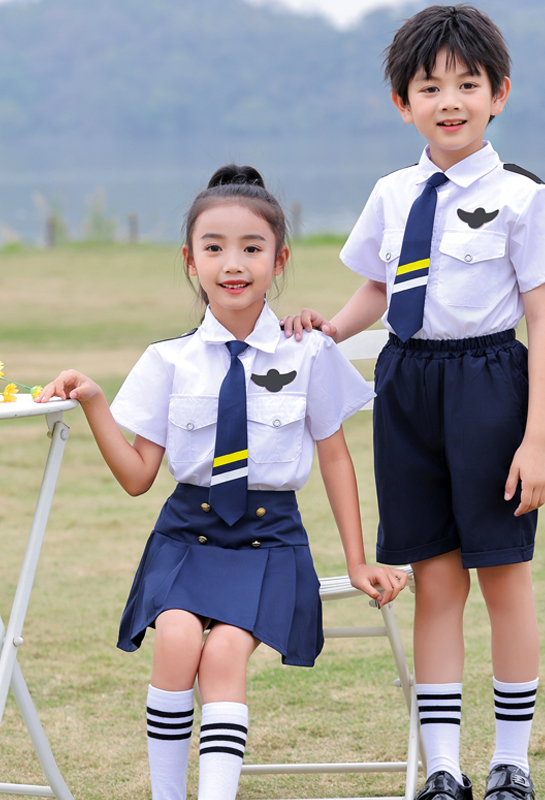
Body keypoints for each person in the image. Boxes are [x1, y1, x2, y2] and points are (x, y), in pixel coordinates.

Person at [281, 6, 545, 800]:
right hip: (404, 386)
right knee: (436, 578)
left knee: (504, 577)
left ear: (500, 94)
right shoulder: (391, 193)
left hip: (489, 385)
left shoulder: (523, 197)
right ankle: (444, 769)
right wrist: (330, 325)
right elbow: (378, 291)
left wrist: (537, 441)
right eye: (430, 86)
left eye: (467, 84)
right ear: (401, 103)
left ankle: (511, 762)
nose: (449, 100)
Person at [36, 164, 408, 800]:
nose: (232, 264)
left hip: (270, 543)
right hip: (186, 535)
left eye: (251, 248)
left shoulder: (309, 352)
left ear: (279, 259)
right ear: (190, 260)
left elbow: (336, 460)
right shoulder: (166, 361)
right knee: (177, 637)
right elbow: (137, 478)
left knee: (227, 651)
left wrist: (356, 561)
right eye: (214, 248)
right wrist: (96, 402)